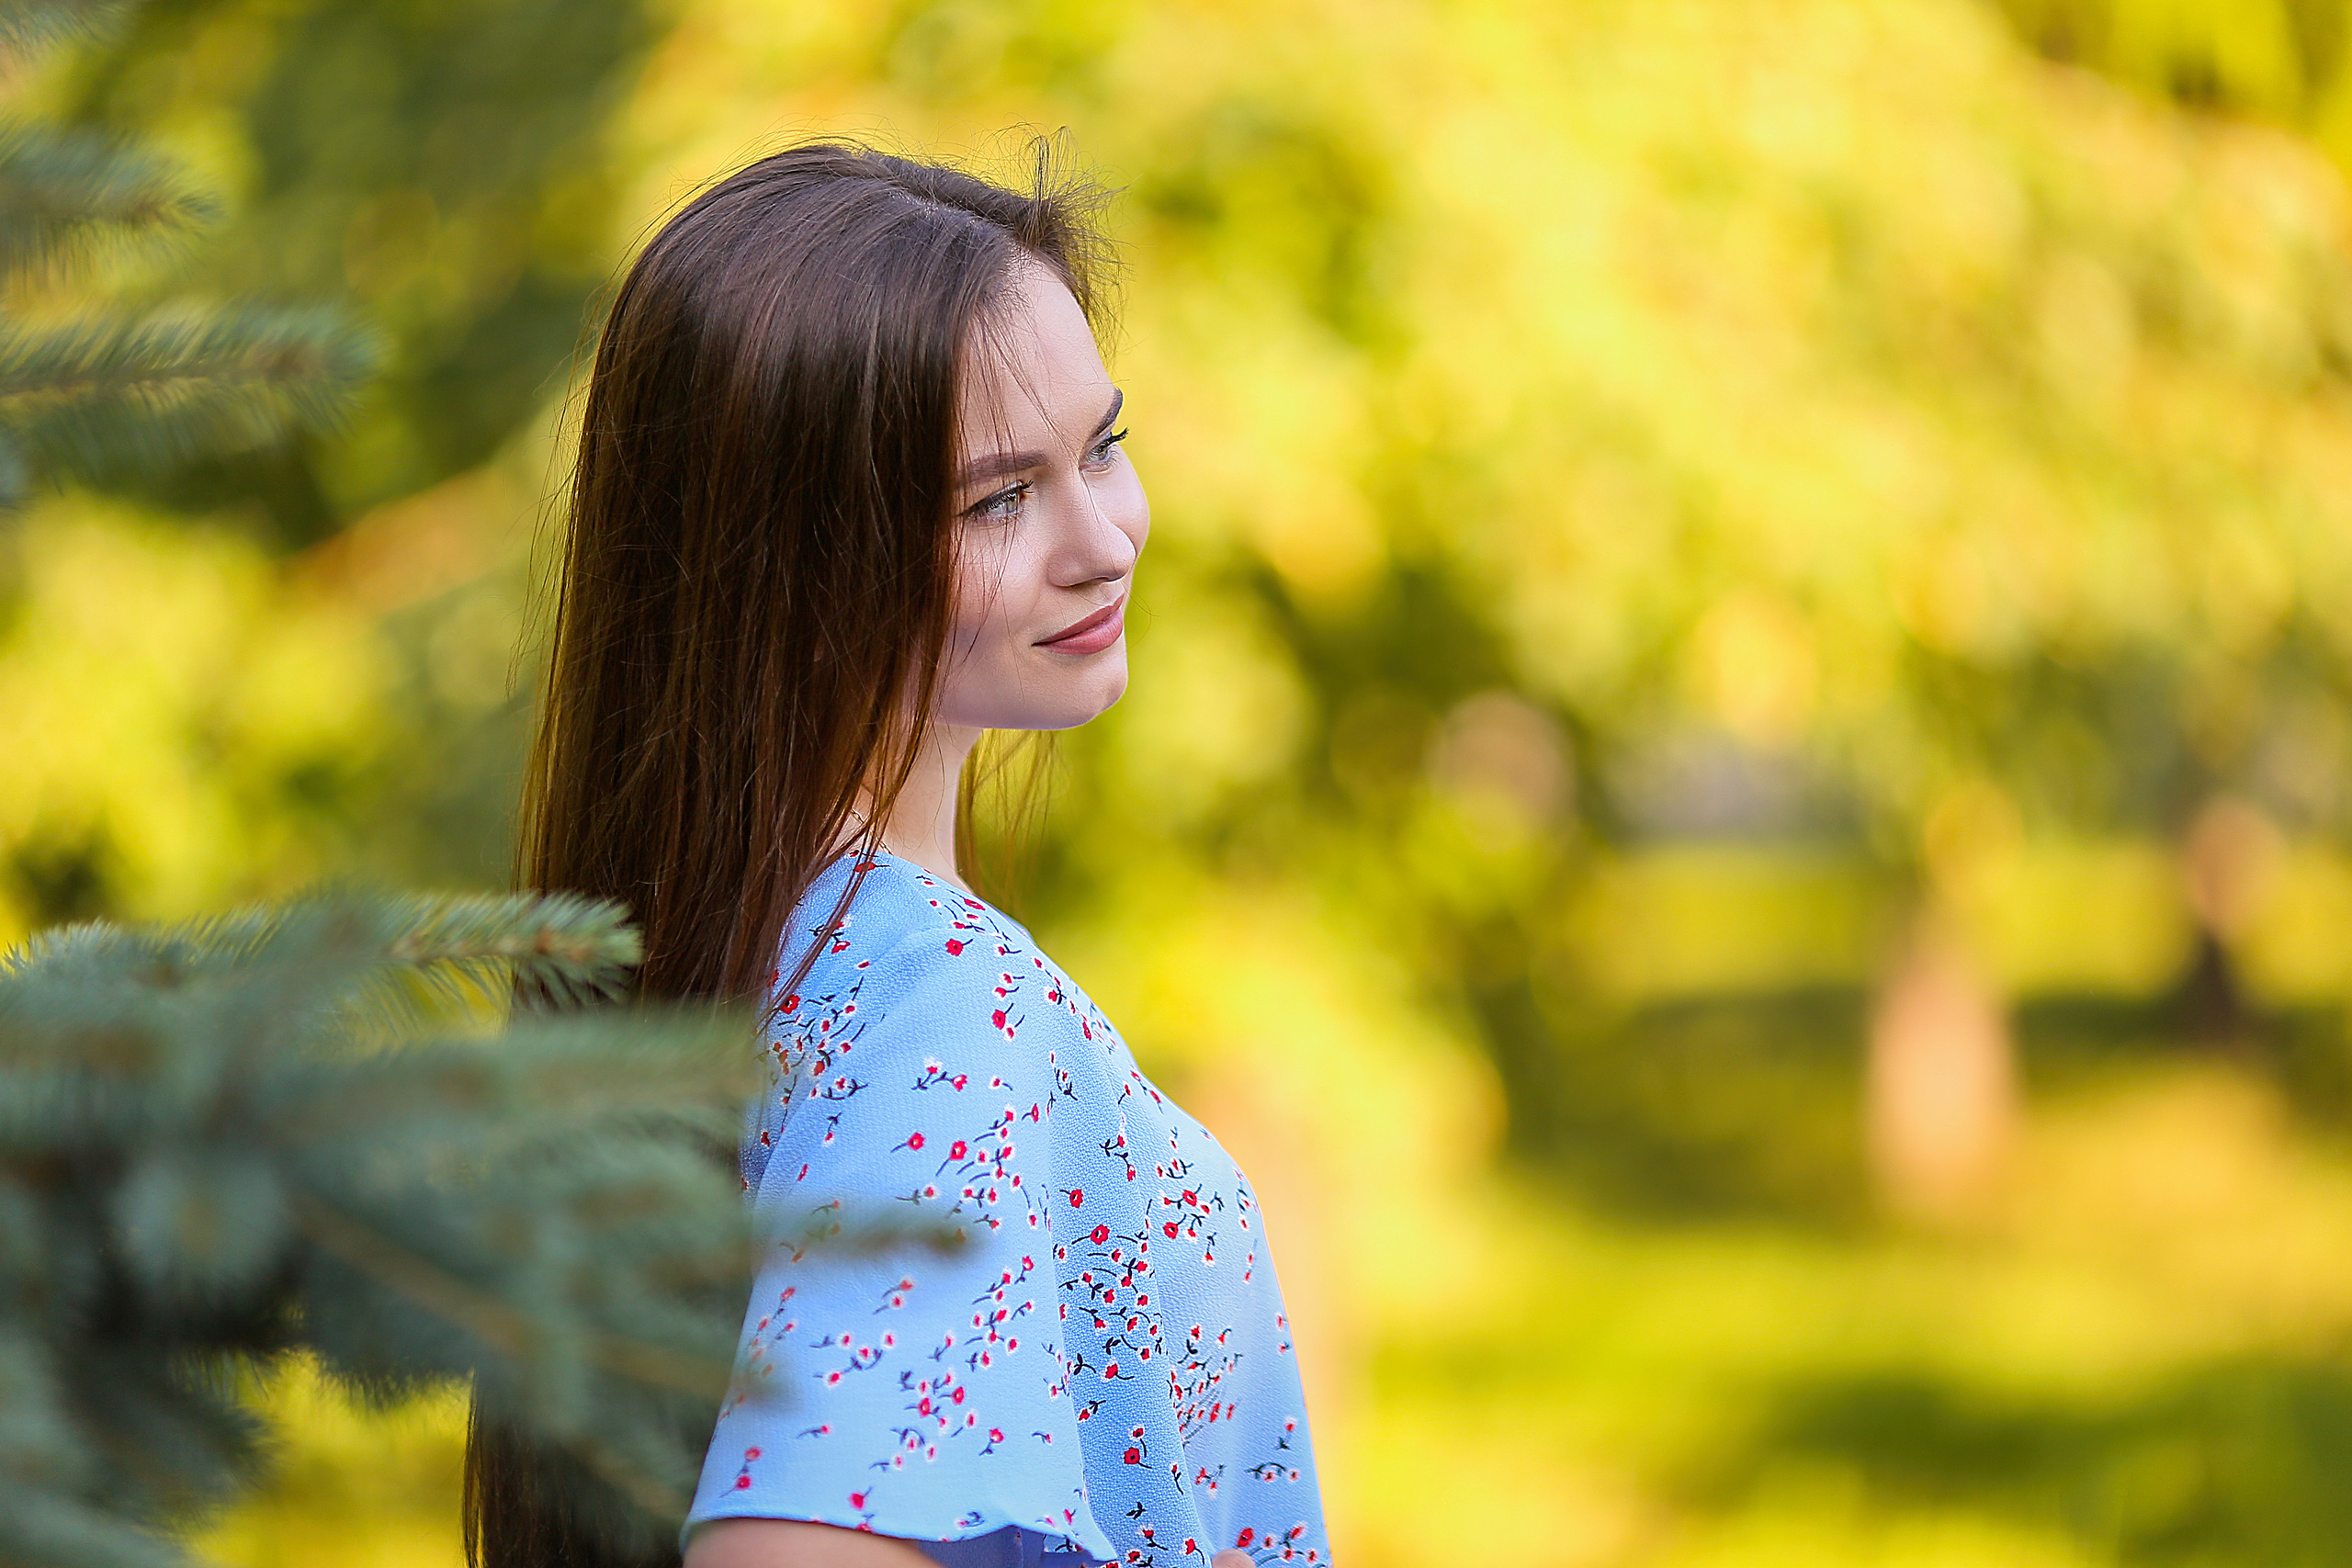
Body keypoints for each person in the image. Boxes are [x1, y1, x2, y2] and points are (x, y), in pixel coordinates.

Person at [468, 141, 1331, 1568]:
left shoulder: (747, 963)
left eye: (1103, 447)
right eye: (1000, 500)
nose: (1106, 538)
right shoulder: (938, 1009)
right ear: (793, 568)